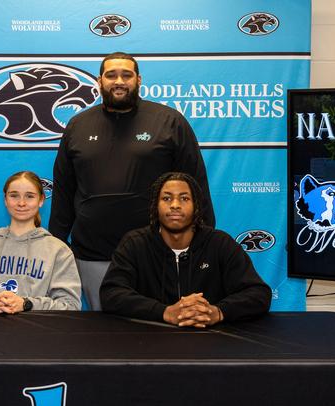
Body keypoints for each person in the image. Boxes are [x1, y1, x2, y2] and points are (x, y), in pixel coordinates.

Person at [50, 51, 214, 310]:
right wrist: (56, 247)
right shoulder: (77, 126)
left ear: (138, 80)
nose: (119, 81)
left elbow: (196, 187)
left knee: (157, 330)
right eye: (111, 75)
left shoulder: (169, 121)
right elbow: (63, 192)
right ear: (99, 81)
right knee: (100, 335)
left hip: (155, 254)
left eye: (126, 75)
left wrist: (204, 246)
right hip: (93, 255)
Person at [100, 172, 270, 327]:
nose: (175, 205)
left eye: (184, 198)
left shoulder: (220, 243)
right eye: (166, 198)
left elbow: (259, 294)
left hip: (211, 343)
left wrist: (217, 312)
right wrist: (164, 312)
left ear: (196, 206)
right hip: (150, 342)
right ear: (155, 206)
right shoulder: (135, 244)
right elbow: (111, 293)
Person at [0, 171, 81, 313]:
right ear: (5, 200)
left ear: (41, 200)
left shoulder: (58, 251)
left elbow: (70, 306)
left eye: (29, 196)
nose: (21, 203)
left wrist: (26, 304)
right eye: (14, 195)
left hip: (37, 333)